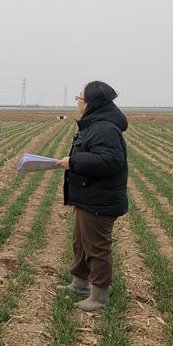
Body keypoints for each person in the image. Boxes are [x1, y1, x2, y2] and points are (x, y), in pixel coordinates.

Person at [55, 81, 128, 312]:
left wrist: (73, 162)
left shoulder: (104, 128)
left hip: (99, 200)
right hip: (89, 196)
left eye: (79, 97)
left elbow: (111, 161)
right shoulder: (94, 125)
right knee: (81, 243)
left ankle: (99, 296)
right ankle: (79, 284)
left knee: (97, 246)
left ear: (90, 102)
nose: (77, 101)